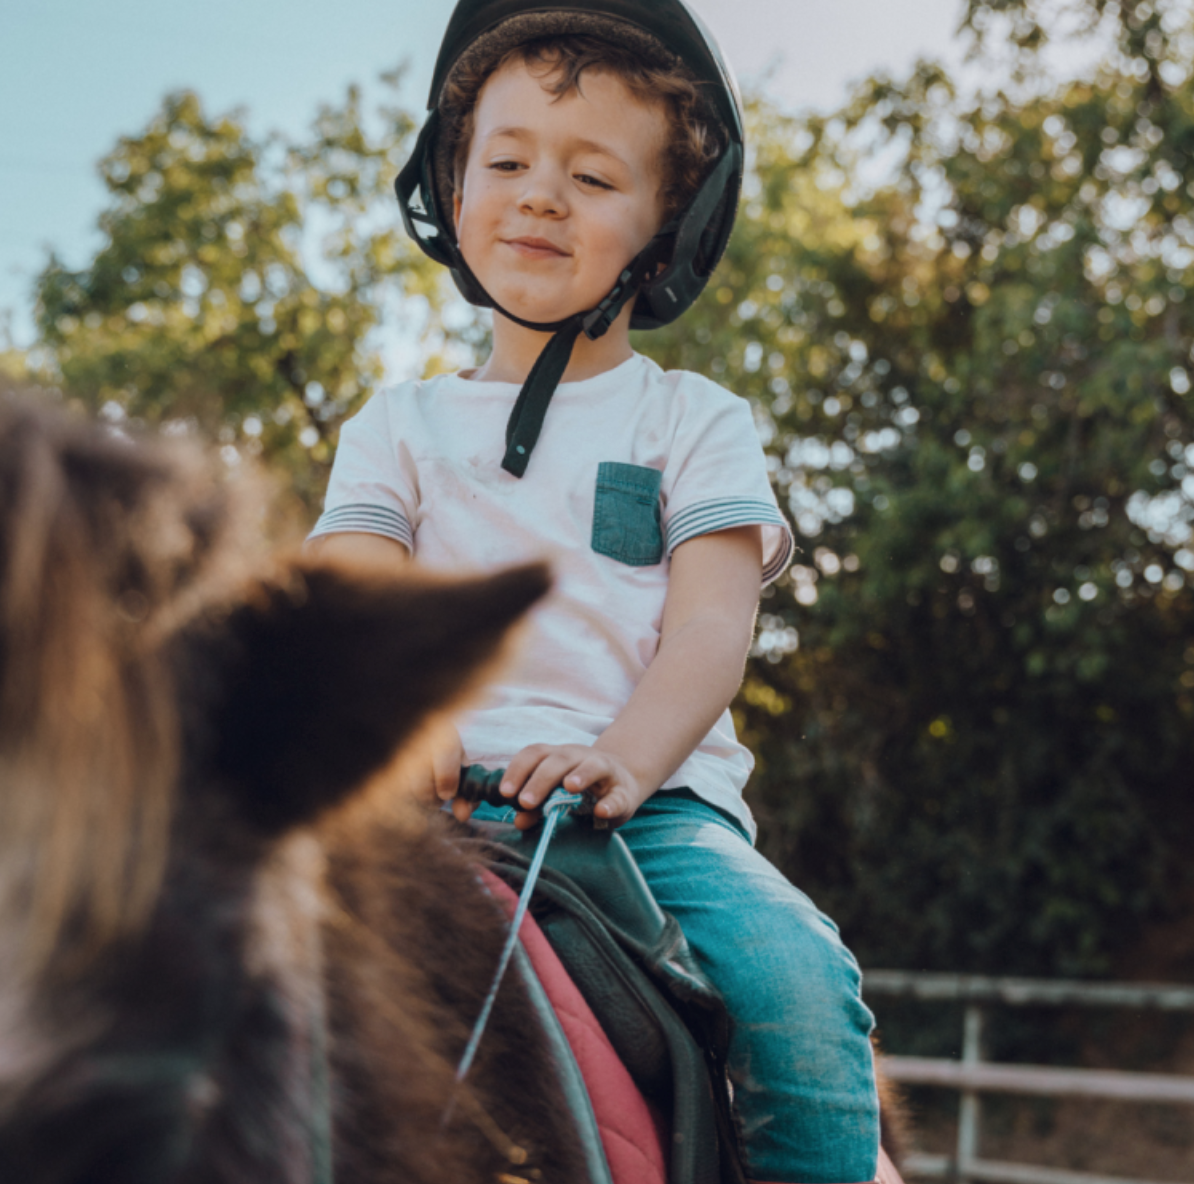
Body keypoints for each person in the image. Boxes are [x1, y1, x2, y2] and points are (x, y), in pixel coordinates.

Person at [309, 2, 881, 1180]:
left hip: (644, 808)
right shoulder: (396, 425)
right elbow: (354, 582)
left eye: (591, 176)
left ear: (663, 229)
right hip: (424, 797)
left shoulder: (694, 421)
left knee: (799, 980)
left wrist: (626, 757)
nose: (537, 195)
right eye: (506, 160)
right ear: (449, 186)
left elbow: (713, 627)